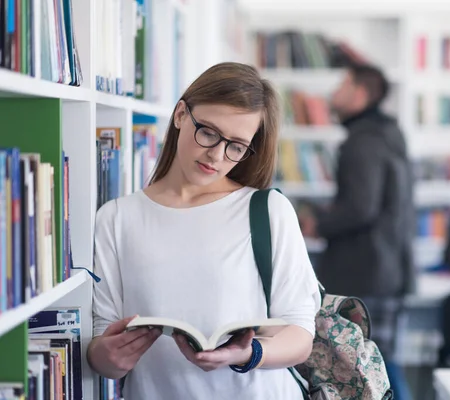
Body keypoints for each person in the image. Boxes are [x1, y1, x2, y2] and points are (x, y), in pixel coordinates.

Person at [87, 62, 321, 400]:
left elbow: (300, 336)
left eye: (236, 146)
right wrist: (105, 357)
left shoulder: (268, 210)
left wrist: (248, 354)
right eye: (209, 132)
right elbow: (102, 347)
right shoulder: (117, 218)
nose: (216, 155)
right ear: (181, 114)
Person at [300, 63, 415, 400]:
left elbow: (361, 207)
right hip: (387, 269)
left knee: (377, 369)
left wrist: (317, 224)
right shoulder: (388, 135)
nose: (334, 93)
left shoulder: (363, 142)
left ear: (360, 94)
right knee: (385, 365)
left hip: (367, 272)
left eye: (342, 85)